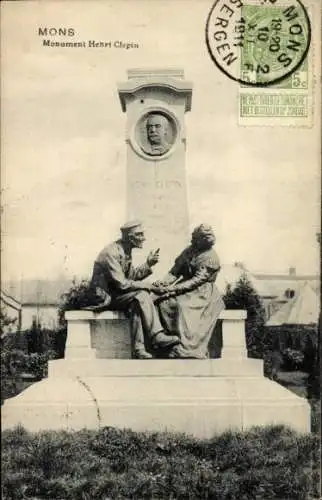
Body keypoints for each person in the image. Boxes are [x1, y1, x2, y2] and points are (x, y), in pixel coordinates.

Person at [90, 220, 179, 359]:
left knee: (137, 302)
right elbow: (123, 284)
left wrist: (148, 264)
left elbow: (132, 277)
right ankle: (156, 336)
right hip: (105, 298)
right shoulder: (111, 253)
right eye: (140, 235)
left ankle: (138, 349)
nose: (144, 238)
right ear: (131, 237)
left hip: (117, 295)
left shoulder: (125, 250)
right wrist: (151, 287)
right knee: (142, 294)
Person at [154, 224, 225, 359]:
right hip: (184, 287)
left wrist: (172, 288)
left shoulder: (211, 257)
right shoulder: (189, 251)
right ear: (196, 239)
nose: (203, 241)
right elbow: (175, 272)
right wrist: (164, 282)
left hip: (203, 292)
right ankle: (169, 344)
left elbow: (196, 281)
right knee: (163, 302)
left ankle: (187, 347)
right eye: (201, 238)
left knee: (182, 306)